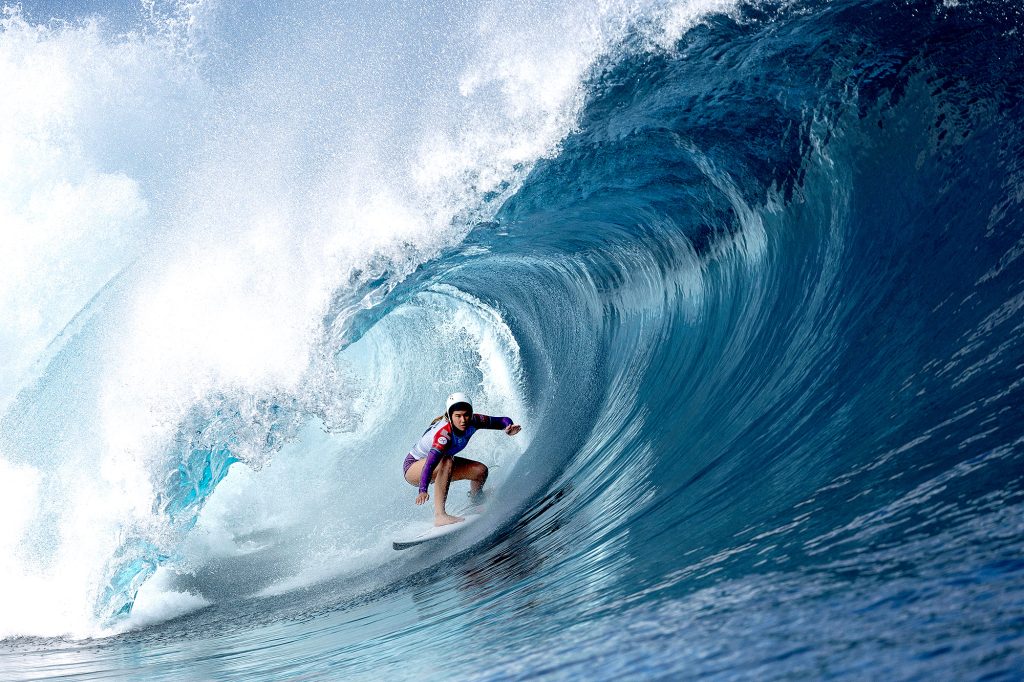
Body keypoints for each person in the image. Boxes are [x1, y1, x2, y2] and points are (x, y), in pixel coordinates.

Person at [403, 392, 521, 526]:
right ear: (450, 416)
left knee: (480, 471)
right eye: (458, 416)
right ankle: (440, 516)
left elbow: (501, 421)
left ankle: (476, 499)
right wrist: (422, 490)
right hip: (414, 468)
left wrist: (508, 427)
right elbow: (429, 465)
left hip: (438, 464)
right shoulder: (444, 436)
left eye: (466, 415)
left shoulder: (475, 421)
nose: (463, 420)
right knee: (446, 461)